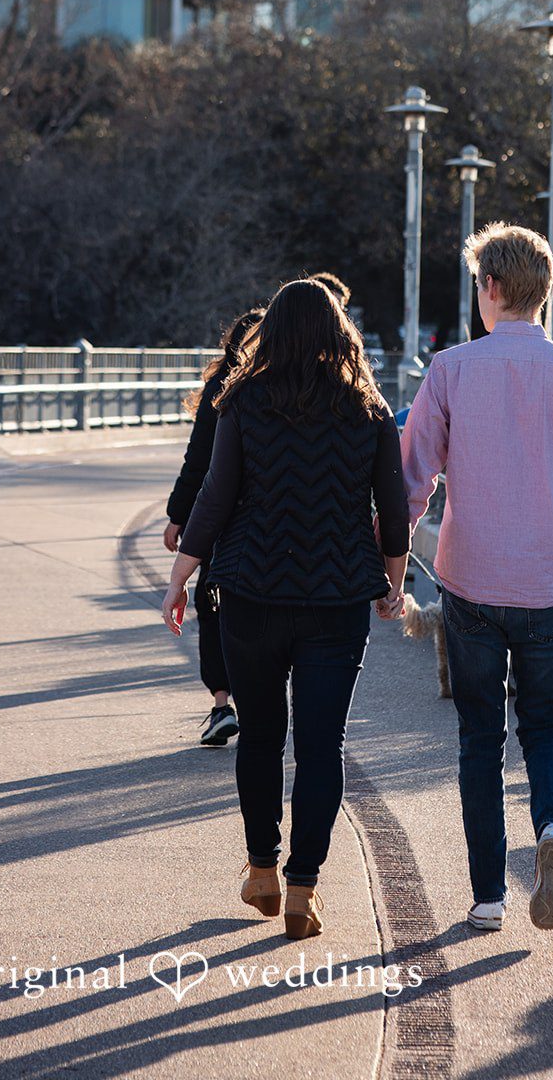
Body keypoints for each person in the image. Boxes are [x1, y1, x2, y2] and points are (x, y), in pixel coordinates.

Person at [161, 279, 410, 940]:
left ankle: (262, 869)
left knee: (263, 737)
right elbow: (394, 506)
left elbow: (215, 496)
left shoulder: (242, 399)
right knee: (322, 744)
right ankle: (304, 887)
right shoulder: (368, 407)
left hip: (252, 592)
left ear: (271, 333)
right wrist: (394, 582)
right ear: (338, 332)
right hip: (336, 598)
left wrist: (180, 576)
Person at [401, 222, 553, 934]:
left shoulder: (449, 370)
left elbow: (413, 479)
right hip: (550, 580)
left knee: (478, 738)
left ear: (491, 289)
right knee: (545, 725)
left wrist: (389, 561)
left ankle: (487, 898)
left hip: (469, 579)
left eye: (477, 285)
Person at [164, 308, 264, 747]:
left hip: (218, 523)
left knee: (212, 606)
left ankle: (223, 705)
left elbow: (198, 462)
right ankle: (248, 704)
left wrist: (178, 516)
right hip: (255, 526)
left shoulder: (220, 392)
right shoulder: (282, 385)